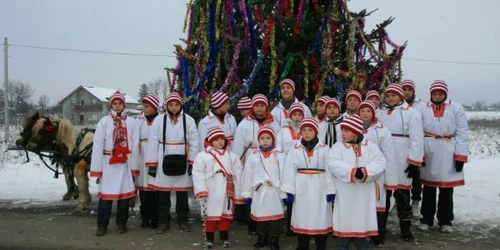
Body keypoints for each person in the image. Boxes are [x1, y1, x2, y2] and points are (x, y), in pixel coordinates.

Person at [327, 115, 386, 250]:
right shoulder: (337, 147)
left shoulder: (370, 147)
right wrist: (352, 172)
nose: (343, 134)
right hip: (345, 193)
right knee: (344, 224)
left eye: (346, 131)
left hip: (363, 194)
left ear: (356, 132)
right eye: (342, 130)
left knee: (362, 224)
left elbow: (380, 163)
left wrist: (365, 172)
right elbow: (333, 163)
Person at [418, 80, 469, 233]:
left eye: (440, 93)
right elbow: (418, 132)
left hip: (449, 148)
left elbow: (462, 132)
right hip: (429, 147)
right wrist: (419, 154)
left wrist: (461, 156)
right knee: (428, 187)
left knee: (447, 188)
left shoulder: (456, 108)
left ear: (445, 94)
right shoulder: (423, 109)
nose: (437, 96)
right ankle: (426, 219)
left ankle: (445, 220)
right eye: (434, 93)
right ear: (430, 94)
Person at [144, 92, 199, 234]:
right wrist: (152, 164)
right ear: (167, 106)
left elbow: (194, 142)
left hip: (182, 158)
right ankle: (164, 221)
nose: (174, 108)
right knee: (163, 194)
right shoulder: (159, 120)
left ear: (181, 105)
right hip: (163, 158)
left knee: (182, 195)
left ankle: (183, 220)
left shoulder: (189, 120)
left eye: (176, 105)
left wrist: (192, 162)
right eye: (171, 105)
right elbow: (152, 143)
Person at [378, 84, 424, 242]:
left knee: (403, 195)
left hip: (402, 158)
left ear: (401, 96)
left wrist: (414, 162)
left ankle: (405, 228)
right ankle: (380, 229)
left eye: (393, 95)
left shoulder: (412, 113)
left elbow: (417, 139)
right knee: (383, 194)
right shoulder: (380, 113)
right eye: (388, 95)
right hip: (383, 157)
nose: (390, 98)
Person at [90, 92, 140, 236]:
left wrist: (133, 166)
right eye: (115, 104)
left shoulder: (131, 122)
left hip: (124, 163)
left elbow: (135, 144)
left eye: (120, 104)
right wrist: (97, 169)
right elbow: (98, 144)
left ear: (124, 105)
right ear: (111, 105)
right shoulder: (104, 122)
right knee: (106, 197)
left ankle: (121, 223)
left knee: (123, 197)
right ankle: (102, 225)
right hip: (108, 163)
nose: (117, 106)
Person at [282, 118, 334, 250]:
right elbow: (289, 169)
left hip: (320, 187)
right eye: (304, 130)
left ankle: (320, 246)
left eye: (310, 130)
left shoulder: (325, 149)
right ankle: (302, 245)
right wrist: (289, 190)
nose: (306, 133)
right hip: (301, 187)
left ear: (316, 132)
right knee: (302, 216)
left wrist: (331, 190)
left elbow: (330, 170)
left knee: (320, 217)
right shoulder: (295, 149)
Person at [233, 94, 281, 234]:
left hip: (270, 159)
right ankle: (252, 224)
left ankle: (271, 223)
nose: (259, 109)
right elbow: (238, 146)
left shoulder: (274, 123)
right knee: (254, 190)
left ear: (266, 107)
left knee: (269, 191)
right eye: (257, 105)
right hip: (251, 159)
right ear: (252, 107)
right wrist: (238, 162)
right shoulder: (245, 124)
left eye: (262, 105)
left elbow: (278, 143)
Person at [192, 127, 243, 248]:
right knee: (209, 215)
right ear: (210, 141)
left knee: (225, 214)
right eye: (216, 139)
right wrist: (201, 190)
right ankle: (209, 238)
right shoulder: (202, 156)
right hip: (210, 189)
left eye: (222, 139)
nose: (220, 142)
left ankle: (224, 238)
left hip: (226, 189)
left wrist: (238, 190)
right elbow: (197, 173)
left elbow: (239, 172)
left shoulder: (232, 156)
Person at [358, 101, 398, 247]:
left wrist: (391, 180)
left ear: (373, 113)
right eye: (362, 111)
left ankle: (378, 234)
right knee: (360, 205)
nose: (365, 114)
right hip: (358, 176)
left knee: (378, 206)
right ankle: (359, 234)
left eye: (368, 111)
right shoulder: (352, 129)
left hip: (377, 175)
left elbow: (389, 156)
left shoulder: (382, 131)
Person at [241, 127, 286, 250]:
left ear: (273, 139)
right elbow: (247, 175)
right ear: (258, 140)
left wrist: (285, 193)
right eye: (262, 138)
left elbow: (285, 174)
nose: (265, 141)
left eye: (268, 138)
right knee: (261, 215)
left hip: (275, 191)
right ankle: (262, 237)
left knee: (276, 216)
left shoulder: (280, 155)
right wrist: (247, 194)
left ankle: (274, 239)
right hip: (259, 191)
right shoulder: (253, 156)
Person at [134, 94, 160, 229]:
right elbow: (134, 137)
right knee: (143, 191)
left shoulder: (161, 120)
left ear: (154, 107)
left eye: (147, 106)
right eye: (143, 106)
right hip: (142, 155)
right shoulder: (139, 120)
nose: (144, 109)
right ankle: (145, 217)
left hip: (156, 155)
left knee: (155, 191)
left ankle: (155, 218)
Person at [401, 79, 425, 218]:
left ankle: (415, 202)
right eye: (404, 89)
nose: (406, 92)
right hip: (402, 145)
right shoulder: (397, 105)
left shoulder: (421, 106)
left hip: (417, 143)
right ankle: (400, 202)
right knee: (401, 174)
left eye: (409, 89)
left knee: (416, 176)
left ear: (413, 91)